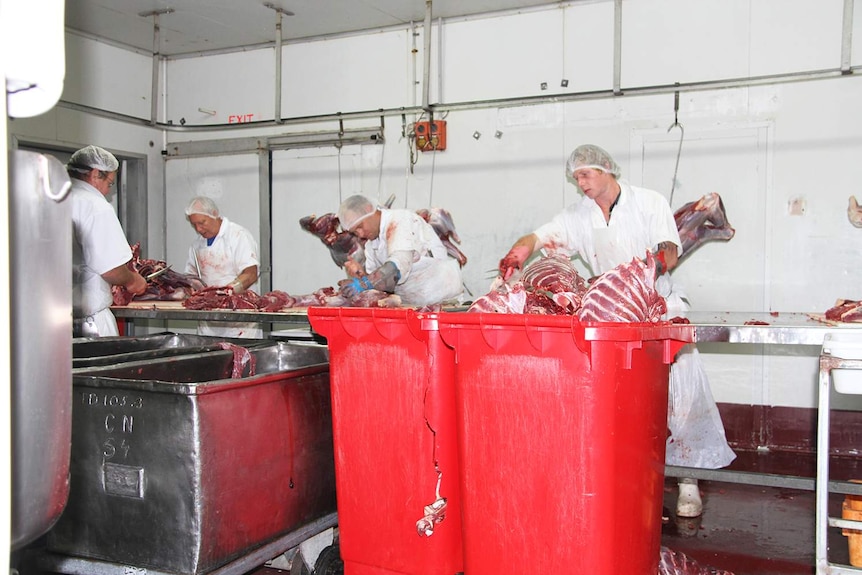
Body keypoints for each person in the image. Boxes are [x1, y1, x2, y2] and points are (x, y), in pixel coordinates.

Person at [498, 144, 736, 518]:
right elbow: (539, 236)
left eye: (586, 174)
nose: (581, 183)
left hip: (660, 307)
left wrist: (640, 272)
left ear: (607, 169)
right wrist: (518, 251)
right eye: (576, 177)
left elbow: (669, 250)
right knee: (624, 396)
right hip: (612, 316)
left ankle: (689, 481)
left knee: (682, 390)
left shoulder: (649, 202)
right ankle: (632, 478)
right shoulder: (578, 215)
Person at [69, 145, 147, 337]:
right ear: (96, 174)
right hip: (88, 324)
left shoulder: (48, 198)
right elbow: (111, 270)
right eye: (110, 183)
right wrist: (132, 280)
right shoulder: (94, 205)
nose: (107, 191)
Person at [337, 194, 463, 307]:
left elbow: (397, 265)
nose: (360, 234)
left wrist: (364, 283)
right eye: (354, 232)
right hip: (411, 305)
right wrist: (360, 275)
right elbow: (379, 287)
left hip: (441, 300)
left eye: (360, 226)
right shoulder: (371, 245)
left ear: (369, 209)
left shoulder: (400, 220)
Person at [183, 196, 263, 338]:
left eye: (202, 223)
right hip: (208, 326)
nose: (198, 229)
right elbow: (190, 279)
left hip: (240, 324)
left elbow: (250, 274)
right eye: (194, 224)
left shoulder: (238, 236)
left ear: (214, 214)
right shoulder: (196, 246)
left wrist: (226, 293)